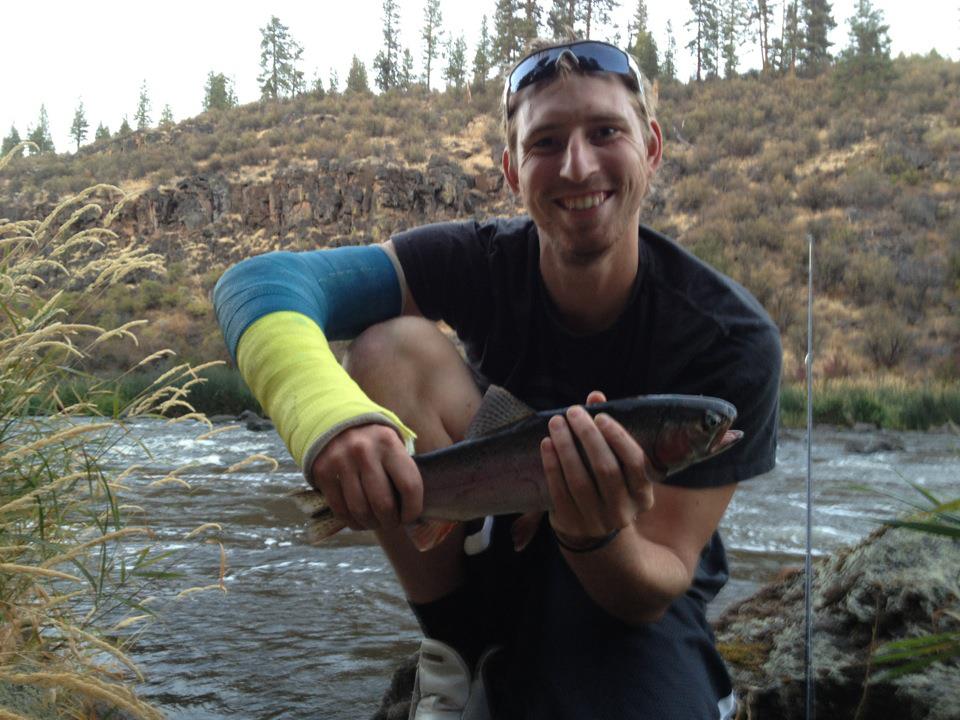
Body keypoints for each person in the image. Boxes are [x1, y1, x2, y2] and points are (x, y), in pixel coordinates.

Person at [214, 39, 781, 720]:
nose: (577, 165)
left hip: (626, 579)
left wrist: (590, 533)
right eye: (545, 143)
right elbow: (260, 284)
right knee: (388, 345)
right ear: (512, 170)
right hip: (484, 537)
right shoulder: (475, 259)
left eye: (606, 132)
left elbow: (656, 584)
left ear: (650, 147)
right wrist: (329, 418)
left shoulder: (731, 338)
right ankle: (452, 644)